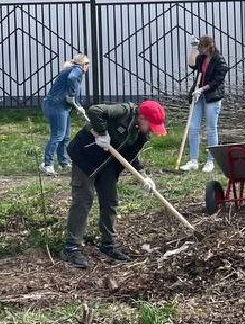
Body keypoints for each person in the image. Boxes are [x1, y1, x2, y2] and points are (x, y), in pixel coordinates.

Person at [63, 100, 167, 268]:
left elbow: (131, 156)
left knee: (110, 201)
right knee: (83, 200)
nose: (152, 131)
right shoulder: (123, 111)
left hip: (108, 164)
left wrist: (143, 176)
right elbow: (95, 109)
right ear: (141, 117)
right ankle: (72, 247)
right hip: (85, 156)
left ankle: (108, 245)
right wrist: (103, 133)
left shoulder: (141, 134)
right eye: (151, 125)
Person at [179, 35, 228, 173]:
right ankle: (193, 160)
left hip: (212, 96)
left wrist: (203, 89)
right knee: (193, 127)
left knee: (211, 129)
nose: (200, 51)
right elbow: (192, 65)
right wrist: (193, 48)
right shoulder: (201, 58)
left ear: (209, 47)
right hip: (198, 96)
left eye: (201, 48)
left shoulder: (220, 61)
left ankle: (210, 161)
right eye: (199, 48)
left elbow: (217, 81)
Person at [41, 54, 90, 175]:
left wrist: (77, 105)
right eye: (87, 64)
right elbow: (72, 80)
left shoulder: (71, 69)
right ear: (83, 64)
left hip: (61, 106)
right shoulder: (77, 70)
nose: (88, 67)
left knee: (65, 136)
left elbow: (69, 89)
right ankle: (48, 164)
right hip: (56, 106)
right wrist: (72, 96)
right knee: (58, 135)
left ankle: (63, 162)